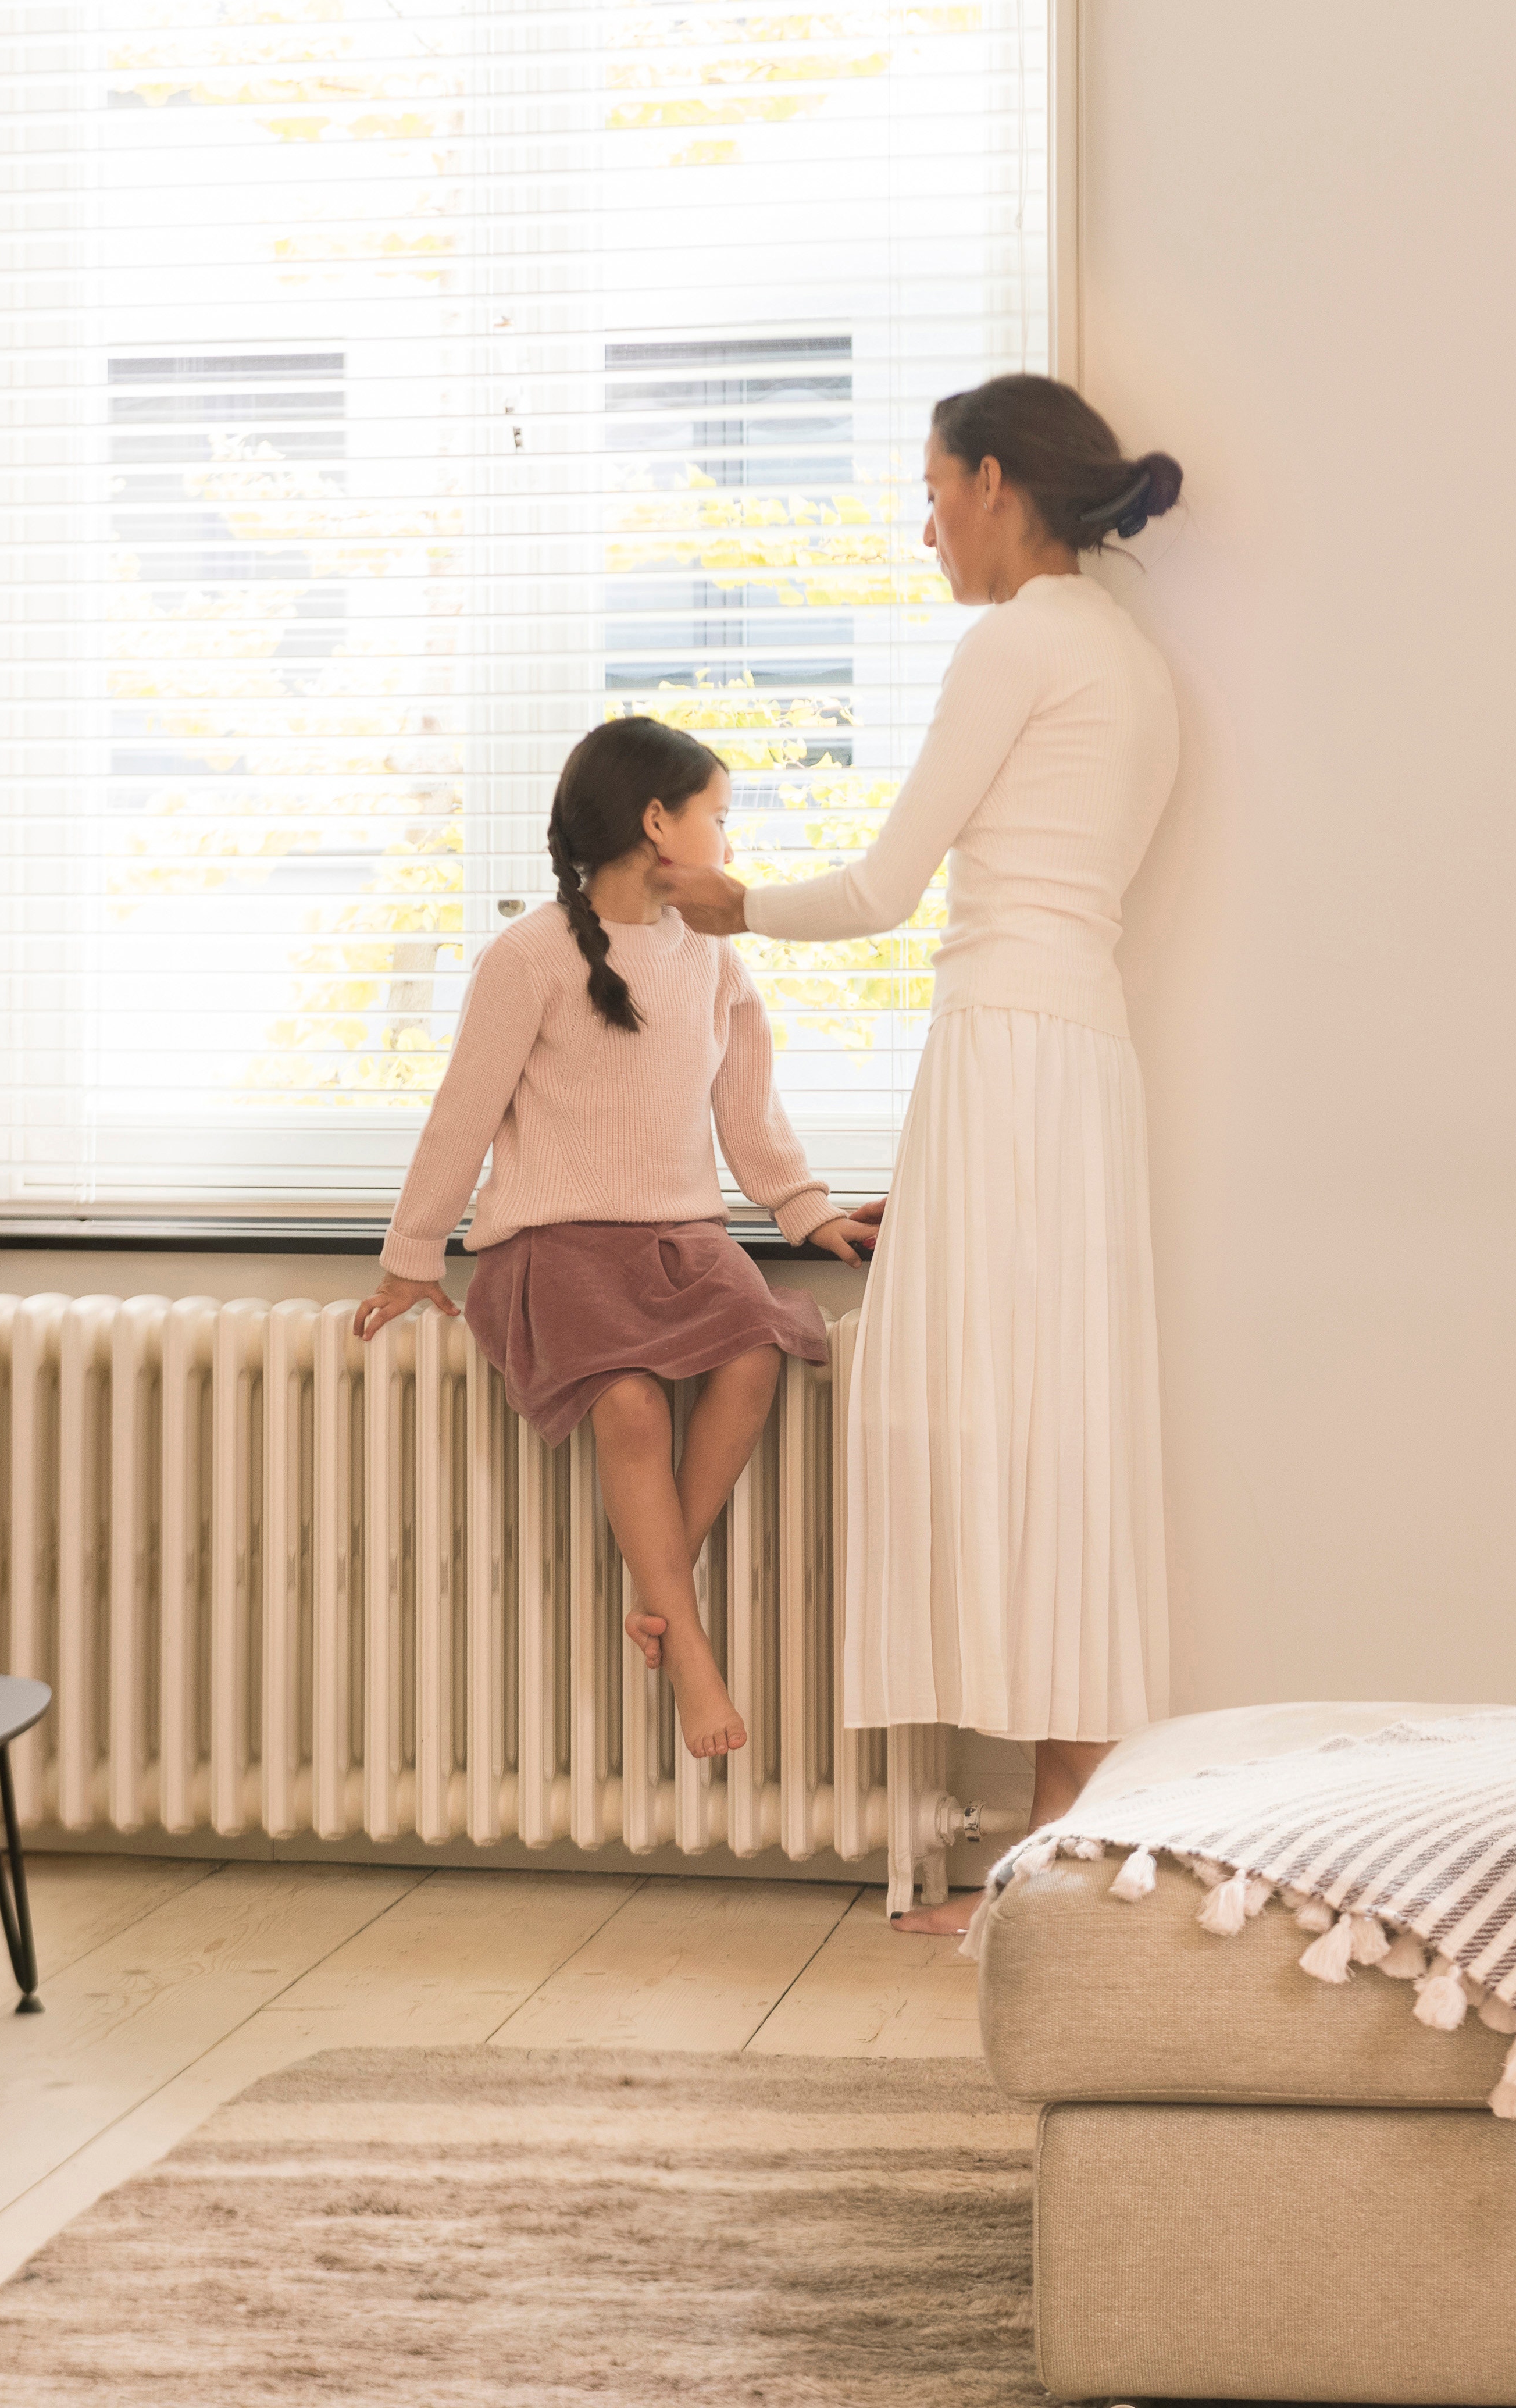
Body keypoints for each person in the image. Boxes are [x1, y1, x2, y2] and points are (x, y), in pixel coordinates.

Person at [652, 373, 1186, 1931]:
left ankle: (1052, 1853)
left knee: (997, 1419)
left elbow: (889, 887)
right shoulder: (1132, 662)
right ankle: (1061, 1845)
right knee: (1062, 1419)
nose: (927, 522)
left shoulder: (1015, 641)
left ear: (998, 479)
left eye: (935, 487)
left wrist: (726, 900)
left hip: (1009, 1047)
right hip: (1074, 1057)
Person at [356, 715, 866, 1759]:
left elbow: (750, 1118)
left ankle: (656, 1593)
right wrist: (412, 1258)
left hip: (682, 1241)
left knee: (758, 1352)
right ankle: (689, 1652)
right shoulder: (529, 957)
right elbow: (462, 1115)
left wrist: (808, 1212)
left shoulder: (715, 962)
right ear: (657, 823)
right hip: (552, 1248)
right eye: (717, 817)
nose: (728, 838)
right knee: (630, 1405)